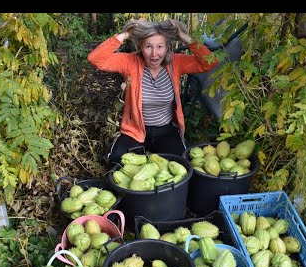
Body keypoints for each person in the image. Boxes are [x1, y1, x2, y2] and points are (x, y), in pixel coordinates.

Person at [87, 19, 219, 165]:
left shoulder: (175, 62)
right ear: (140, 46)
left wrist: (184, 37)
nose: (154, 54)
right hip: (135, 131)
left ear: (167, 47)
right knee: (118, 162)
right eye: (148, 46)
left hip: (166, 130)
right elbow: (96, 59)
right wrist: (125, 35)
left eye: (160, 46)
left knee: (181, 165)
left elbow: (210, 62)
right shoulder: (130, 62)